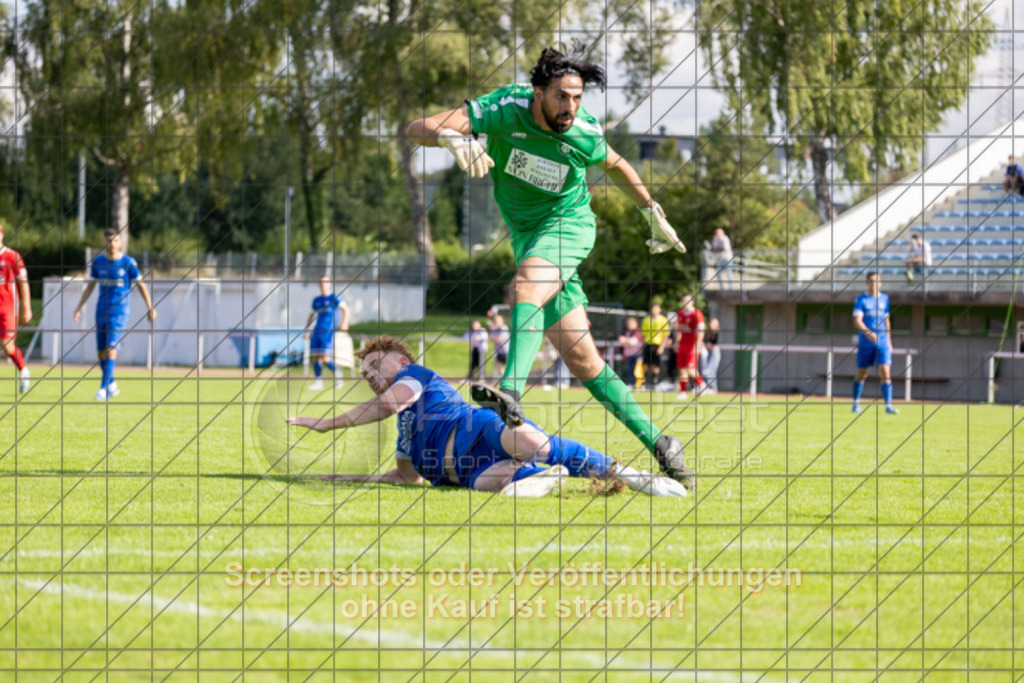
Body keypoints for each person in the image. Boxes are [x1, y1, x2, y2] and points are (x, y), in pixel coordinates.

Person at [405, 41, 690, 485]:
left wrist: (652, 212)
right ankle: (660, 442)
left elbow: (617, 165)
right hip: (529, 239)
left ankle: (511, 391)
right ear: (538, 92)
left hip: (569, 225)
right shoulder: (505, 107)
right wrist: (447, 136)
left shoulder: (584, 132)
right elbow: (414, 128)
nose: (570, 107)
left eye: (577, 98)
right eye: (562, 96)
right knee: (583, 359)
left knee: (526, 288)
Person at [287, 336, 691, 496]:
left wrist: (327, 424)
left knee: (533, 441)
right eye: (365, 373)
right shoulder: (404, 429)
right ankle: (548, 476)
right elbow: (405, 476)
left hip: (475, 428)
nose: (370, 374)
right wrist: (350, 478)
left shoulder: (415, 377)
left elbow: (391, 402)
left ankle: (632, 475)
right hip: (464, 472)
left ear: (402, 359)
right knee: (496, 484)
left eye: (376, 364)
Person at [73, 228, 157, 400]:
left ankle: (103, 388)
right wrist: (79, 306)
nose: (112, 244)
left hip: (119, 312)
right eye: (109, 240)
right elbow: (90, 286)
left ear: (120, 242)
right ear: (105, 242)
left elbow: (141, 285)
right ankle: (111, 382)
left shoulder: (128, 262)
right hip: (101, 310)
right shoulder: (98, 263)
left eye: (115, 240)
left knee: (111, 348)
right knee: (101, 353)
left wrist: (150, 306)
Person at [852, 272, 898, 414]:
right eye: (871, 281)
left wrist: (889, 342)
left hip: (883, 341)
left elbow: (886, 321)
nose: (874, 284)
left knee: (885, 371)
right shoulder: (861, 299)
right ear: (867, 283)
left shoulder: (885, 299)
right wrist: (868, 333)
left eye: (877, 281)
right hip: (866, 342)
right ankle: (856, 402)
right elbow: (857, 321)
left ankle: (888, 405)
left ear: (881, 283)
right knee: (862, 372)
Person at [303, 275, 351, 391]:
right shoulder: (316, 300)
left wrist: (344, 323)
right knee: (315, 358)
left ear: (330, 284)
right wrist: (307, 330)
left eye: (325, 282)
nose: (323, 284)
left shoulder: (334, 297)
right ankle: (318, 383)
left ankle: (338, 375)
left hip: (328, 333)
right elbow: (311, 315)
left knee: (325, 359)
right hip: (316, 332)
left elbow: (346, 310)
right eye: (321, 282)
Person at [0, 223, 32, 393]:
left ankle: (23, 370)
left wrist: (27, 307)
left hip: (8, 308)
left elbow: (23, 282)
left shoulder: (13, 256)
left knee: (7, 346)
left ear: (2, 234)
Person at [672, 293, 706, 400]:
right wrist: (677, 342)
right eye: (684, 300)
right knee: (682, 369)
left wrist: (698, 345)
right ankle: (683, 392)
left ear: (692, 302)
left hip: (692, 345)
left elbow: (701, 330)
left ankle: (702, 384)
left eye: (688, 300)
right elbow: (679, 330)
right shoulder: (680, 314)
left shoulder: (697, 314)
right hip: (683, 344)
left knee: (691, 369)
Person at [641, 303, 671, 390]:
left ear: (659, 309)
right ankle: (645, 381)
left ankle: (655, 382)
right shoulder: (646, 320)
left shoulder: (663, 320)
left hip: (657, 344)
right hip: (648, 344)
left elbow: (665, 334)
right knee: (645, 363)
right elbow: (644, 334)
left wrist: (662, 346)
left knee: (655, 364)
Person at [617, 317, 645, 389]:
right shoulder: (625, 332)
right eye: (628, 323)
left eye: (631, 323)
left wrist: (625, 340)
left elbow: (633, 342)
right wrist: (627, 341)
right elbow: (620, 341)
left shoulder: (637, 331)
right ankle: (632, 384)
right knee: (630, 371)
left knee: (637, 371)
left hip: (637, 355)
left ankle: (640, 385)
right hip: (629, 355)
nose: (629, 325)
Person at [700, 318, 721, 394]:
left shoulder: (718, 333)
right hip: (707, 352)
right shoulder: (707, 332)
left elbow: (717, 345)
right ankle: (706, 387)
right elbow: (704, 342)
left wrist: (711, 346)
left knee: (711, 371)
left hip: (715, 353)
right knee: (705, 371)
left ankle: (713, 388)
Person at [488, 313, 510, 382]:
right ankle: (505, 380)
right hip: (499, 352)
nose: (496, 322)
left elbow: (500, 338)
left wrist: (495, 338)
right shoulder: (494, 329)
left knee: (509, 369)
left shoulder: (504, 328)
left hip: (506, 352)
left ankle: (508, 381)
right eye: (495, 321)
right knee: (499, 368)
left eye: (497, 321)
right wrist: (495, 338)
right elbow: (490, 338)